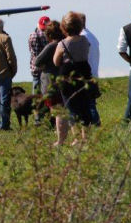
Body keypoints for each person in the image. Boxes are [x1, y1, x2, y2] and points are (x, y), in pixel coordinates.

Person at [52, 11, 92, 146]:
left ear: (64, 27)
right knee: (85, 107)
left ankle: (77, 138)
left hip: (67, 78)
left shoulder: (62, 44)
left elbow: (56, 62)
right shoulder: (85, 40)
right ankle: (86, 136)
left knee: (71, 108)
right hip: (83, 75)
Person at [33, 20, 65, 127]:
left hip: (50, 80)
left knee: (54, 108)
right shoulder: (65, 43)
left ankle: (57, 127)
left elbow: (37, 61)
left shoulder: (51, 46)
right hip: (63, 79)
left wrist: (45, 66)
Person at [79, 13, 101, 126]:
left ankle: (96, 125)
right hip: (94, 73)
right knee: (90, 103)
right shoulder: (92, 36)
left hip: (86, 74)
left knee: (89, 104)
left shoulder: (83, 38)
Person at [28, 16, 50, 95]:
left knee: (36, 88)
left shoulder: (33, 35)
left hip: (35, 67)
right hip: (47, 67)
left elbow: (33, 51)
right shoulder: (48, 35)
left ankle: (36, 105)